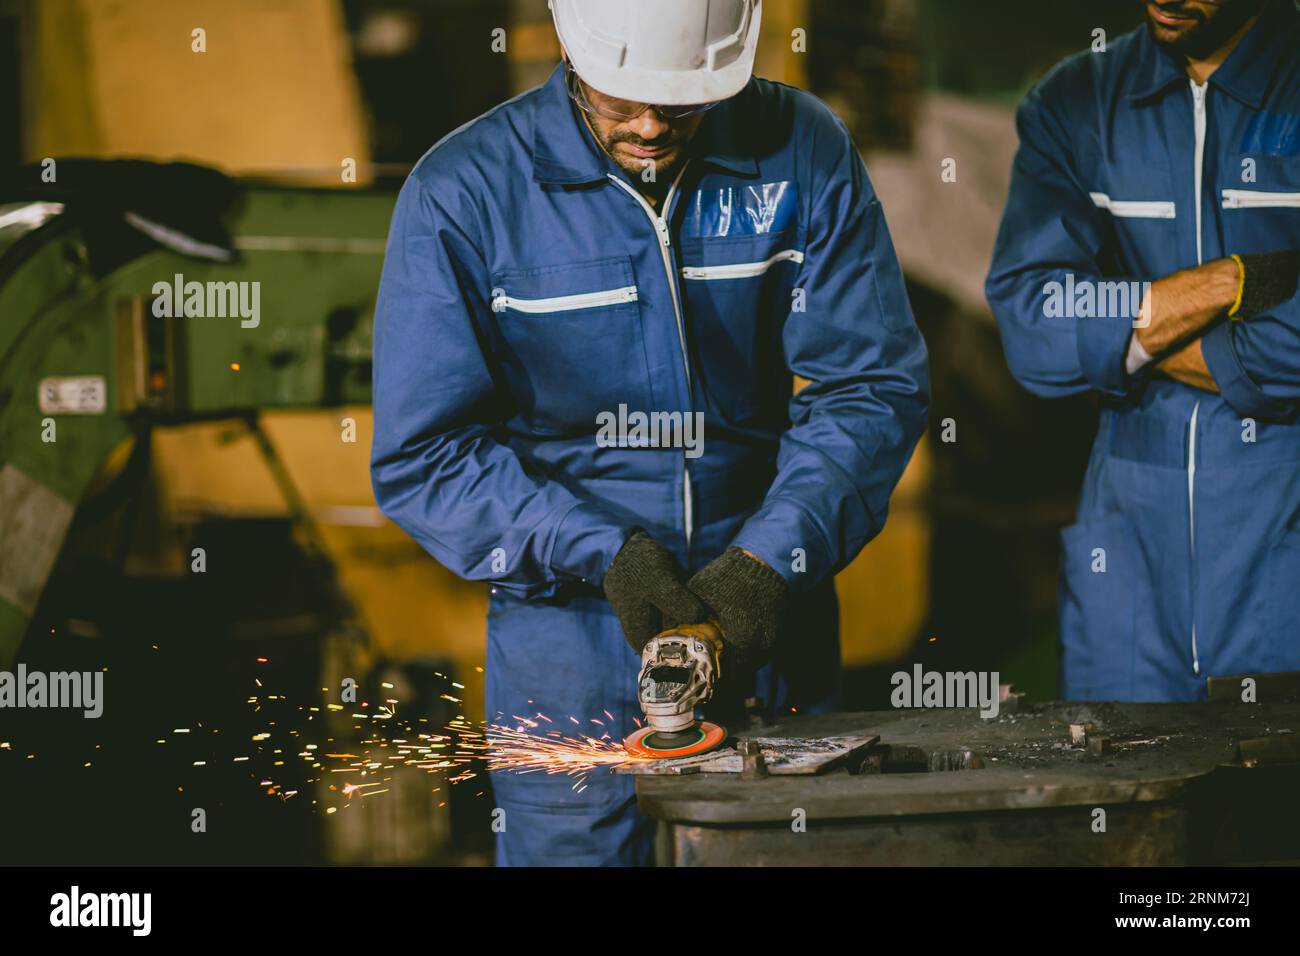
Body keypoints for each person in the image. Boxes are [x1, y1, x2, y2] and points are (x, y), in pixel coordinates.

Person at [372, 0, 929, 864]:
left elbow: (870, 386)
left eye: (680, 100)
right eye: (621, 96)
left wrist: (768, 563)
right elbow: (425, 457)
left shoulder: (803, 149)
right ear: (570, 44)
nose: (649, 125)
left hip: (765, 612)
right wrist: (601, 552)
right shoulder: (467, 191)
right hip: (569, 642)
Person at [987, 0, 1300, 702]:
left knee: (1272, 805)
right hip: (1125, 578)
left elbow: (1074, 324)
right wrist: (1224, 284)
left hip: (1282, 565)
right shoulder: (1076, 100)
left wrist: (1125, 340)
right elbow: (1031, 325)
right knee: (1124, 799)